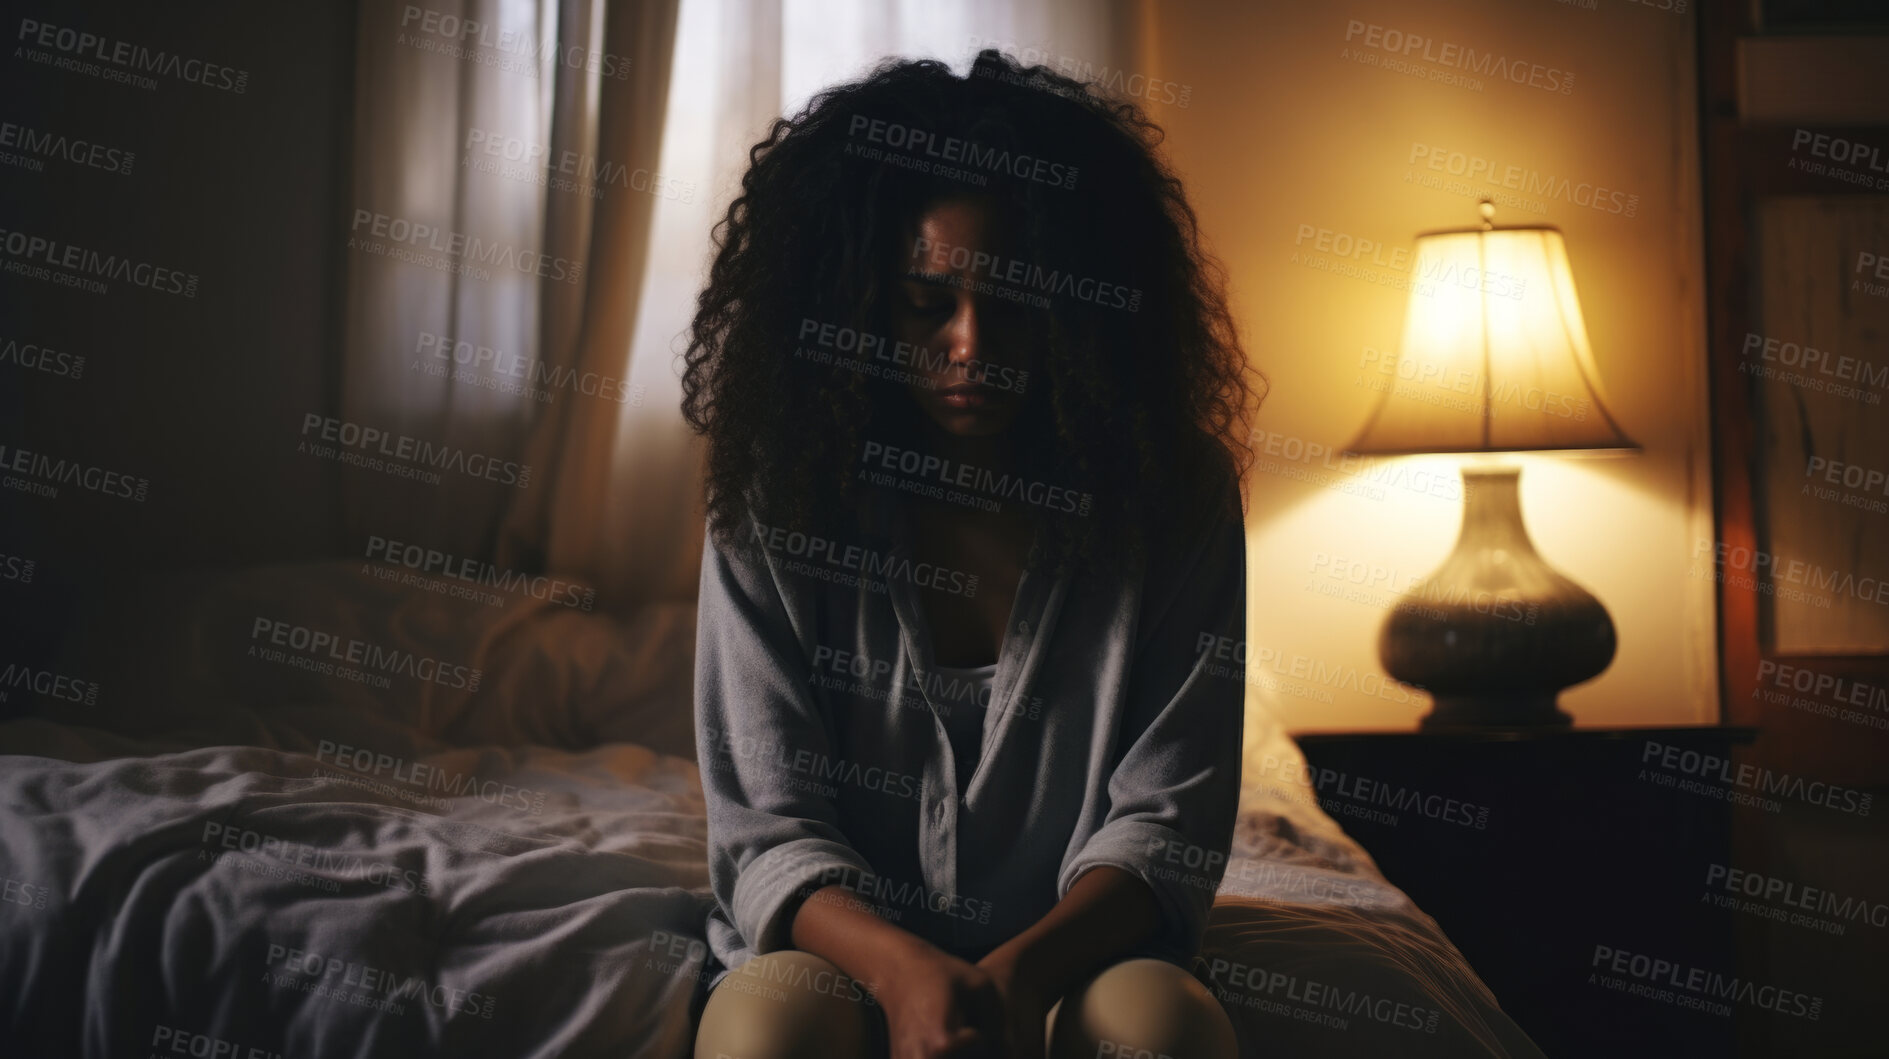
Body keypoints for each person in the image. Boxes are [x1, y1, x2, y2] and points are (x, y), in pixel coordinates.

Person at [681, 48, 1265, 1059]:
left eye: (1016, 303)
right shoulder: (776, 497)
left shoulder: (1175, 501)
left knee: (1162, 1029)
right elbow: (768, 825)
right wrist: (903, 973)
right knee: (767, 1032)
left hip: (1083, 955)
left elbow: (1165, 821)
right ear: (856, 303)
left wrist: (1015, 977)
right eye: (924, 304)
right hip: (836, 952)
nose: (970, 344)